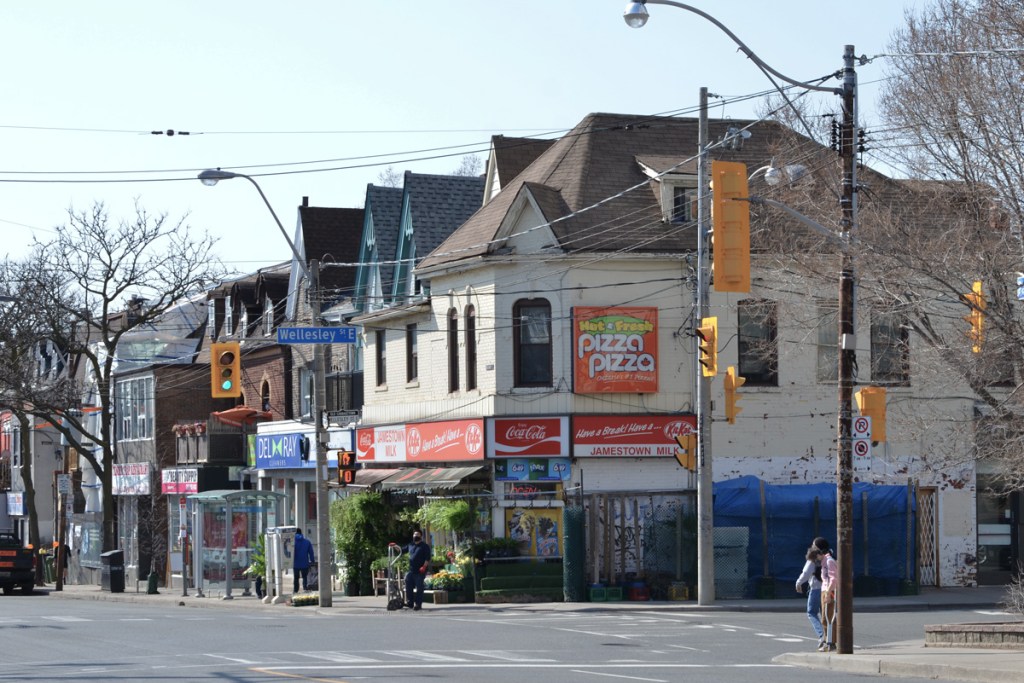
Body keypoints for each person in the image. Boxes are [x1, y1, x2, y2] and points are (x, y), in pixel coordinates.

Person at [795, 546, 825, 650]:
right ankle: (831, 638)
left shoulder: (811, 562)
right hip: (826, 589)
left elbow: (805, 574)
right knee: (825, 613)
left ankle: (822, 636)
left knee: (811, 612)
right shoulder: (825, 560)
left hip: (816, 589)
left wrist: (798, 583)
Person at [814, 537, 838, 651]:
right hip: (825, 590)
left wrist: (828, 592)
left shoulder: (829, 561)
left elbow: (833, 579)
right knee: (825, 617)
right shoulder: (824, 562)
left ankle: (831, 643)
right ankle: (829, 641)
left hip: (830, 591)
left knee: (827, 617)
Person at [402, 530, 431, 610]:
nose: (415, 536)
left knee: (419, 588)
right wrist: (394, 547)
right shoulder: (410, 545)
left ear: (421, 536)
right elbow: (402, 551)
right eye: (414, 534)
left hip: (420, 571)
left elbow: (427, 558)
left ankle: (418, 604)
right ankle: (410, 603)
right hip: (411, 570)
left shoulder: (424, 546)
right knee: (408, 586)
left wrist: (424, 567)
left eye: (417, 535)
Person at [292, 529, 315, 593]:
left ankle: (295, 590)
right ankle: (305, 588)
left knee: (296, 578)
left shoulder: (292, 542)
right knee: (305, 577)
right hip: (304, 563)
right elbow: (311, 552)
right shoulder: (307, 542)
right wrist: (312, 561)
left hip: (295, 563)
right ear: (301, 533)